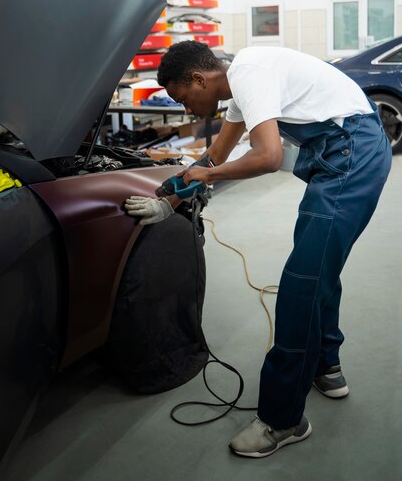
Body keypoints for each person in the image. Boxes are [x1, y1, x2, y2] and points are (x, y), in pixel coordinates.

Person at [125, 40, 392, 458]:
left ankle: (283, 420)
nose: (188, 111)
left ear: (199, 78)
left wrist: (204, 179)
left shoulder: (249, 71)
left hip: (352, 158)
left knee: (303, 283)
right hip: (340, 156)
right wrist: (168, 199)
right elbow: (214, 156)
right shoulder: (240, 84)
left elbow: (267, 157)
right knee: (319, 266)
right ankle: (327, 365)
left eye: (184, 98)